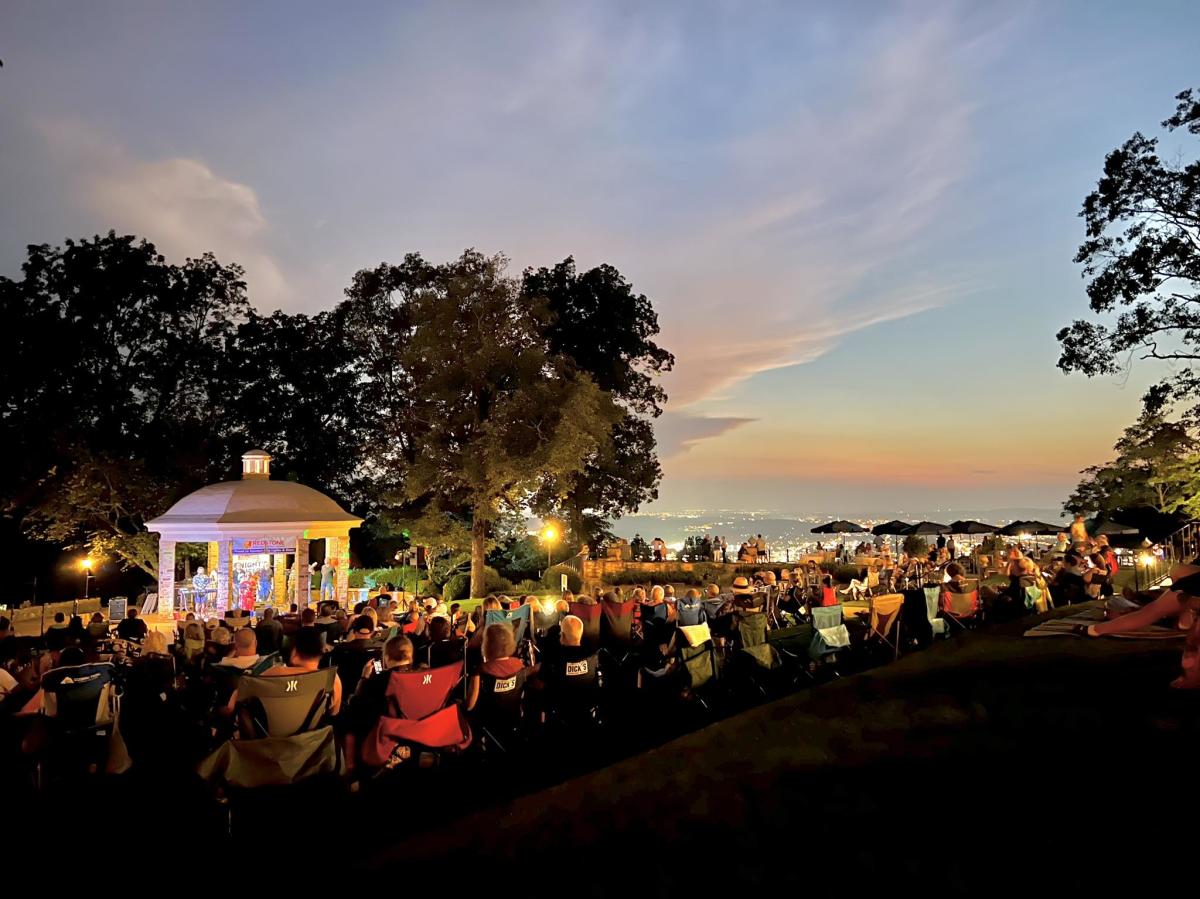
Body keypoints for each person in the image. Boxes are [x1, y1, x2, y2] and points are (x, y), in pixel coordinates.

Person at [466, 623, 528, 711]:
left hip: (487, 718)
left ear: (488, 645)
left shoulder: (480, 670)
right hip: (514, 717)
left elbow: (469, 706)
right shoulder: (520, 665)